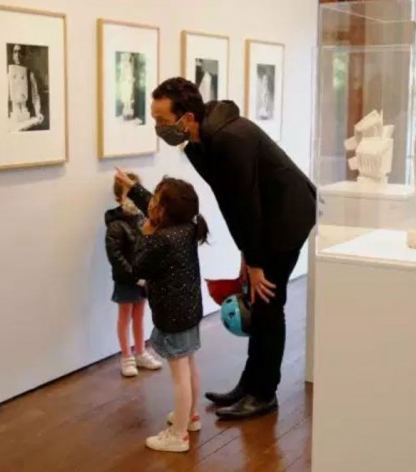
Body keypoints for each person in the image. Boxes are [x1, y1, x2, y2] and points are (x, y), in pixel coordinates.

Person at [118, 76, 316, 421]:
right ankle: (249, 385)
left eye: (162, 120)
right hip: (266, 217)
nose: (158, 127)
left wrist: (254, 262)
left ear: (187, 118)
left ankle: (263, 393)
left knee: (268, 303)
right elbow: (232, 202)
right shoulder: (198, 142)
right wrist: (247, 252)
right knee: (260, 299)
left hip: (287, 217)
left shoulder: (230, 139)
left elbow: (246, 205)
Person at [125, 175, 208, 453]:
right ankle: (191, 416)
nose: (152, 203)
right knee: (189, 366)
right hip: (190, 310)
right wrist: (133, 188)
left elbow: (138, 267)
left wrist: (145, 235)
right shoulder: (186, 227)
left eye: (157, 199)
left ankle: (178, 434)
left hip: (172, 316)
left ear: (165, 210)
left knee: (179, 376)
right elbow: (155, 205)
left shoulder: (160, 239)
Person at [105, 173, 163, 377]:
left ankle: (140, 352)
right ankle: (126, 356)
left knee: (139, 315)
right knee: (125, 316)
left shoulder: (143, 220)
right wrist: (133, 276)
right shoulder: (115, 225)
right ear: (118, 197)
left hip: (143, 279)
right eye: (126, 193)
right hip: (126, 280)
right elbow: (116, 257)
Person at [7, 44, 44, 132]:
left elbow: (35, 96)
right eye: (15, 52)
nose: (18, 55)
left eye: (20, 52)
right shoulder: (8, 74)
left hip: (27, 118)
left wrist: (38, 112)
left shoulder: (30, 74)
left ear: (24, 55)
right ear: (12, 55)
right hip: (14, 119)